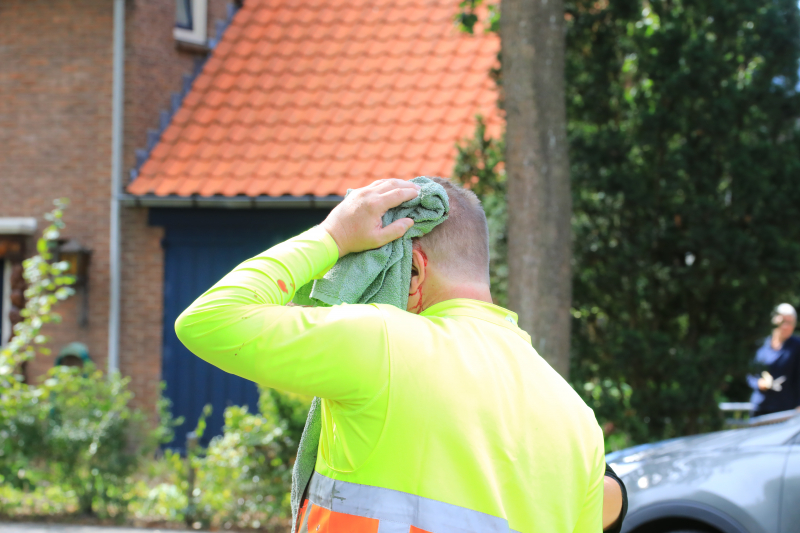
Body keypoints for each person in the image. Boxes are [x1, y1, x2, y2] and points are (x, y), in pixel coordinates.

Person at [176, 178, 611, 532]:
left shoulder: (384, 340)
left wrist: (333, 237)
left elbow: (209, 320)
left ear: (414, 270)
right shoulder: (578, 421)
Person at [747, 303, 800, 416]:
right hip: (760, 406)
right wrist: (759, 383)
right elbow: (749, 372)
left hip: (786, 410)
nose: (786, 326)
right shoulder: (760, 344)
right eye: (783, 321)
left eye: (790, 323)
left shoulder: (797, 346)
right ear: (774, 320)